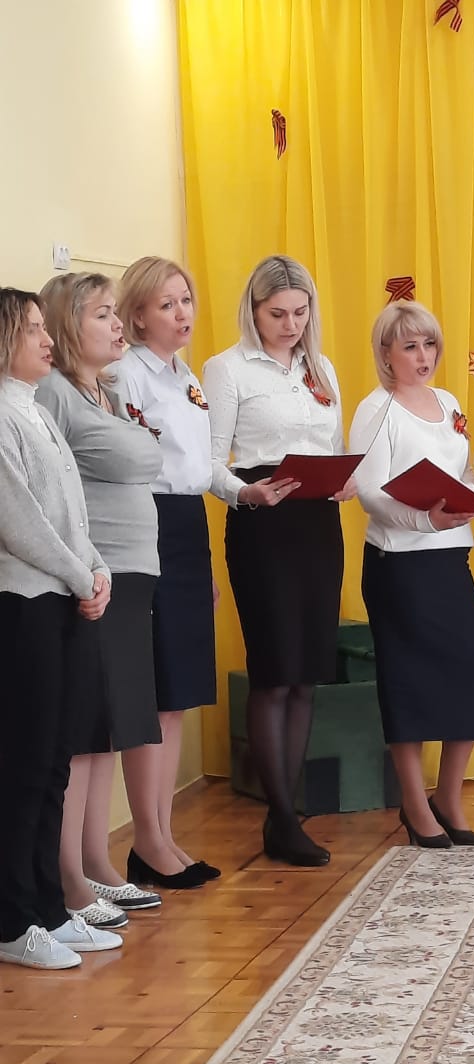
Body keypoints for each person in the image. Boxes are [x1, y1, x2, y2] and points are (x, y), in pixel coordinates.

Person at [204, 254, 350, 867]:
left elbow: (333, 447)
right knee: (274, 670)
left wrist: (345, 481)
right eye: (277, 314)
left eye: (300, 312)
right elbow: (208, 460)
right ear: (254, 311)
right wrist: (245, 493)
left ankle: (284, 816)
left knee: (307, 672)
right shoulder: (227, 369)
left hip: (318, 523)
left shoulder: (322, 368)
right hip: (263, 521)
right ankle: (282, 816)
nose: (291, 325)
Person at [0, 288, 121, 968]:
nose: (48, 341)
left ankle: (48, 907)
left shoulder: (36, 409)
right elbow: (20, 522)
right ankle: (11, 919)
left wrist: (96, 569)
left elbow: (70, 513)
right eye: (32, 330)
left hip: (64, 597)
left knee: (53, 762)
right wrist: (82, 576)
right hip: (24, 605)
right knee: (23, 763)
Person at [37, 273, 164, 923]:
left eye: (118, 313)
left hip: (133, 575)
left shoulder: (106, 393)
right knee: (85, 730)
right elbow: (48, 489)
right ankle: (70, 878)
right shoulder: (54, 393)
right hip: (95, 578)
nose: (118, 325)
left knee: (107, 728)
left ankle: (96, 863)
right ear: (67, 325)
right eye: (104, 315)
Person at [349, 301, 474, 848]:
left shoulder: (449, 402)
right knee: (408, 682)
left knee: (471, 671)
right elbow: (369, 491)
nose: (423, 355)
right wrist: (423, 519)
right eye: (409, 346)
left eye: (429, 344)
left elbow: (461, 469)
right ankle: (414, 804)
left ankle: (448, 798)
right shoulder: (376, 408)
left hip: (450, 557)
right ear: (386, 354)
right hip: (400, 564)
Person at [108, 256, 219, 888]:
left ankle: (162, 832)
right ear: (138, 315)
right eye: (166, 304)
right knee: (152, 692)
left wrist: (242, 494)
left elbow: (198, 464)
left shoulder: (186, 376)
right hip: (147, 519)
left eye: (186, 300)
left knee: (177, 692)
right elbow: (136, 460)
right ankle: (146, 839)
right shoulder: (128, 374)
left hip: (187, 524)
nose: (182, 314)